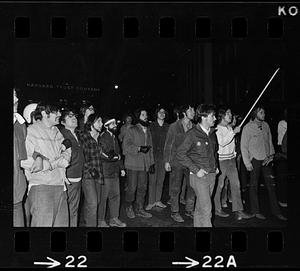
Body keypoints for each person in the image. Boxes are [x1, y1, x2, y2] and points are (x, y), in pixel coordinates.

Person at [20, 102, 71, 227]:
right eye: (55, 111)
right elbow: (25, 160)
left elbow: (67, 151)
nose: (59, 114)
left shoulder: (57, 131)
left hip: (60, 185)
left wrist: (61, 159)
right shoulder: (31, 131)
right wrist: (53, 164)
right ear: (43, 113)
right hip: (42, 187)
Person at [240, 105, 286, 221]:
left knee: (271, 186)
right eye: (261, 112)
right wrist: (247, 163)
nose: (264, 114)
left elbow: (270, 141)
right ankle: (255, 211)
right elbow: (243, 147)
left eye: (264, 112)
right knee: (254, 186)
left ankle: (277, 212)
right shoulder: (247, 128)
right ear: (255, 114)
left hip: (266, 159)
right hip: (254, 160)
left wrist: (272, 156)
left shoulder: (266, 125)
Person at [176, 104, 219, 227]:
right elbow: (180, 154)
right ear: (204, 117)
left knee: (201, 208)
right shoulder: (192, 134)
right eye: (213, 116)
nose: (215, 118)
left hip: (211, 175)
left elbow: (214, 152)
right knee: (207, 209)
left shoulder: (212, 133)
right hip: (199, 177)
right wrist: (196, 170)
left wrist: (216, 167)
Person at [213, 107, 253, 220]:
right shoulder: (217, 129)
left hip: (231, 160)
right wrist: (233, 132)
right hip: (221, 161)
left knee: (236, 185)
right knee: (219, 186)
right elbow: (222, 143)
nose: (230, 115)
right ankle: (217, 209)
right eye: (228, 113)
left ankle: (238, 211)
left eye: (230, 113)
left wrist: (235, 154)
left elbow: (231, 144)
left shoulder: (229, 128)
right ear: (221, 116)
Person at [164, 104, 196, 223]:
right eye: (191, 110)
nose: (193, 112)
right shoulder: (174, 126)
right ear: (184, 113)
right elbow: (168, 144)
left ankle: (189, 210)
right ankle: (174, 212)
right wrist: (167, 161)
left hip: (190, 162)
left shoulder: (195, 127)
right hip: (176, 161)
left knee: (192, 187)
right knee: (175, 188)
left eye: (193, 110)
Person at [123, 108, 154, 219]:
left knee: (142, 187)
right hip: (133, 164)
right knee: (132, 188)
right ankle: (129, 207)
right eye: (143, 114)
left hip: (144, 165)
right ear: (138, 117)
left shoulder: (148, 130)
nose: (146, 116)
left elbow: (151, 148)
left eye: (146, 114)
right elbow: (125, 147)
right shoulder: (132, 130)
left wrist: (151, 163)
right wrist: (139, 148)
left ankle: (140, 208)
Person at [98, 117, 127, 227]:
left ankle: (114, 218)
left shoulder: (114, 137)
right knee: (103, 197)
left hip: (115, 172)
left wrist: (122, 168)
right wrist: (116, 157)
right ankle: (101, 220)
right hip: (106, 172)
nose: (115, 125)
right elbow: (105, 155)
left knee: (115, 196)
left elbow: (118, 154)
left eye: (115, 123)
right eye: (112, 124)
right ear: (106, 126)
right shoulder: (103, 137)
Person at [58, 109, 84, 227]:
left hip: (77, 177)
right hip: (68, 177)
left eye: (75, 116)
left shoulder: (77, 134)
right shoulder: (61, 134)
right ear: (62, 122)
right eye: (70, 116)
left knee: (73, 210)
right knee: (66, 211)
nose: (74, 118)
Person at [79, 113, 105, 227]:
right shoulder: (84, 136)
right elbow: (81, 157)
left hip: (98, 174)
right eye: (99, 121)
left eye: (101, 121)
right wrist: (90, 169)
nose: (102, 124)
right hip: (87, 175)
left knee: (94, 202)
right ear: (91, 123)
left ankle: (87, 221)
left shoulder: (100, 137)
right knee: (93, 203)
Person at [146, 107, 169, 210]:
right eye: (160, 112)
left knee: (161, 180)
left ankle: (157, 200)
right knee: (152, 180)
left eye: (164, 112)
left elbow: (169, 143)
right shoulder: (151, 126)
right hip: (153, 156)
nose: (162, 113)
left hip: (163, 157)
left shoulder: (168, 127)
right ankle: (151, 201)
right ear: (156, 114)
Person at [13, 88, 28, 227]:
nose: (17, 99)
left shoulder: (20, 124)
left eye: (16, 95)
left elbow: (24, 155)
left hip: (16, 189)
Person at [275, 108, 287, 207]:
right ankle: (281, 199)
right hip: (282, 149)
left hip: (284, 150)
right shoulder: (282, 123)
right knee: (282, 176)